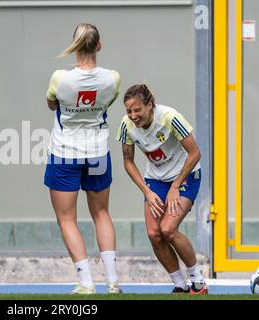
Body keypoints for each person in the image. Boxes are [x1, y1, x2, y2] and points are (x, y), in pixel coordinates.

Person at [44, 23, 122, 295]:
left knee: (67, 219)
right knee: (101, 213)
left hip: (65, 153)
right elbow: (107, 103)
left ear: (75, 46)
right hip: (98, 152)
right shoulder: (112, 78)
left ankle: (86, 282)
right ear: (98, 45)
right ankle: (113, 282)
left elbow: (52, 103)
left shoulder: (60, 78)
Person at [116, 84, 208, 294]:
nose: (133, 115)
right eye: (129, 111)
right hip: (155, 179)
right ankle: (180, 284)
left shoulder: (170, 117)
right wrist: (147, 192)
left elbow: (195, 153)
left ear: (150, 105)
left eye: (137, 109)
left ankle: (198, 281)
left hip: (185, 176)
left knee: (168, 229)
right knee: (154, 233)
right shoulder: (126, 125)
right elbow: (128, 161)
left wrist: (176, 185)